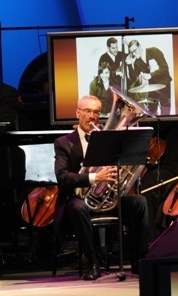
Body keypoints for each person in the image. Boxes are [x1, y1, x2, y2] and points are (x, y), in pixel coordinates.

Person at [53, 95, 149, 280]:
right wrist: (95, 177)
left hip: (105, 198)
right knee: (78, 207)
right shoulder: (64, 143)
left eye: (96, 112)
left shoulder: (108, 140)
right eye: (87, 111)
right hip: (78, 199)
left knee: (139, 202)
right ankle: (92, 262)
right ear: (78, 113)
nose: (92, 116)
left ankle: (139, 261)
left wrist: (118, 171)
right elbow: (62, 176)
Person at [123, 39, 172, 115]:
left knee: (166, 110)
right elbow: (133, 78)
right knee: (152, 111)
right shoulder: (137, 61)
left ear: (140, 47)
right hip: (151, 88)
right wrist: (129, 65)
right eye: (132, 52)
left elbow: (164, 68)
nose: (134, 54)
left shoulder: (154, 51)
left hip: (164, 84)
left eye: (135, 50)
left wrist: (150, 75)